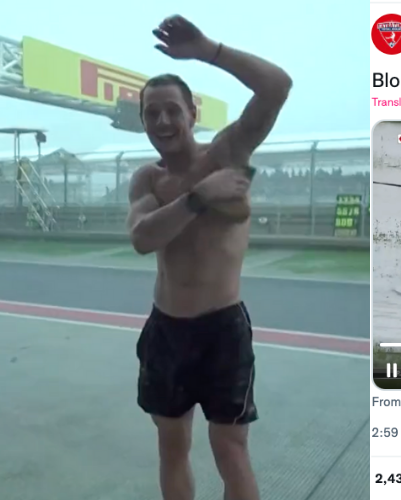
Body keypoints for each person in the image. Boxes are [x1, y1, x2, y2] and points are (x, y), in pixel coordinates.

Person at [127, 15, 291, 500]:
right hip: (166, 329)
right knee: (172, 446)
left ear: (192, 113)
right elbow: (142, 237)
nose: (162, 121)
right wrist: (200, 197)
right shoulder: (147, 180)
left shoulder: (227, 152)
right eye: (151, 113)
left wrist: (206, 50)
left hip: (223, 329)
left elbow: (277, 87)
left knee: (230, 449)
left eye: (172, 110)